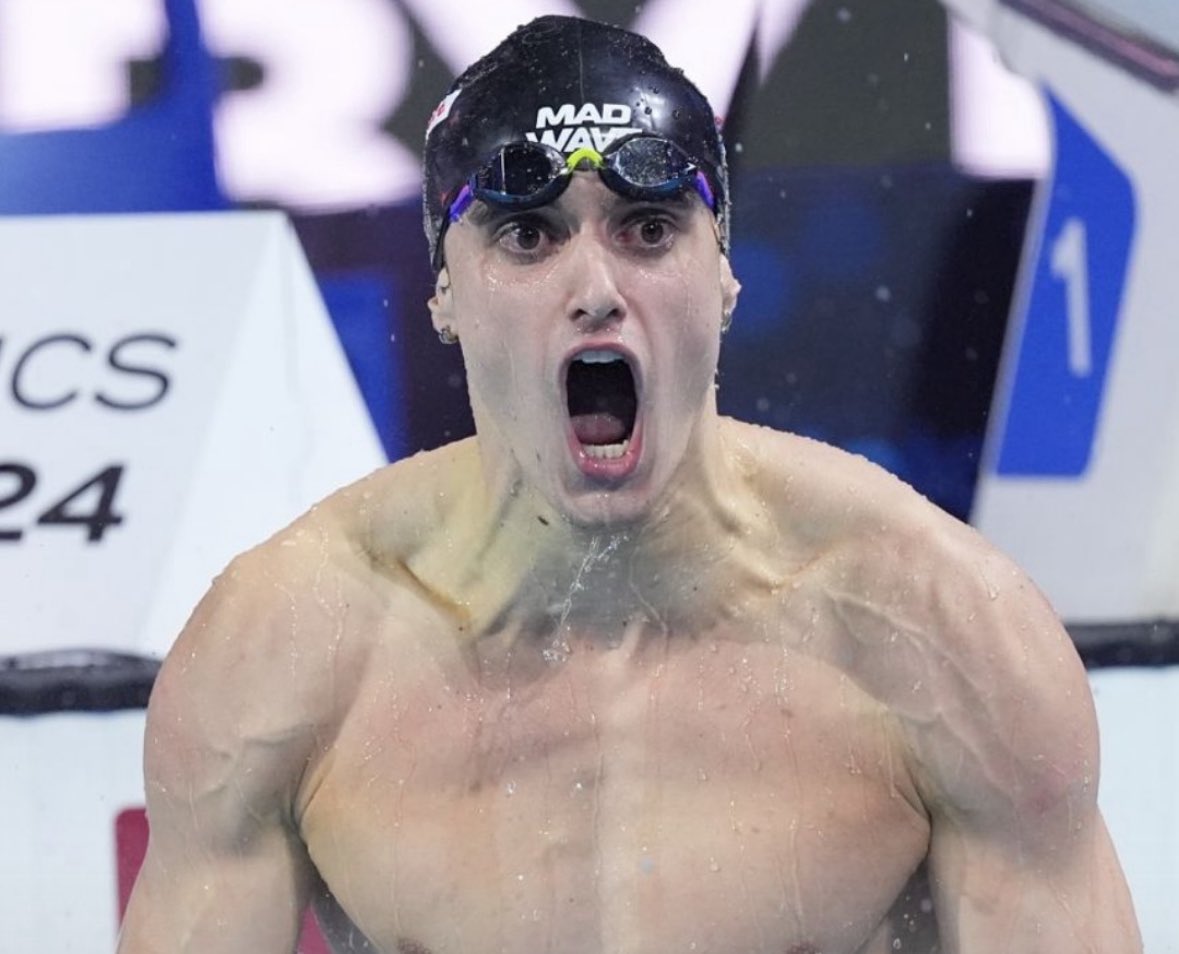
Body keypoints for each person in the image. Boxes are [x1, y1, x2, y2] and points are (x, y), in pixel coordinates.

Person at [117, 14, 1141, 954]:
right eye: (529, 235)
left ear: (725, 275)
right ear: (443, 292)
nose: (597, 290)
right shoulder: (286, 652)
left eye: (648, 230)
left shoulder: (942, 633)